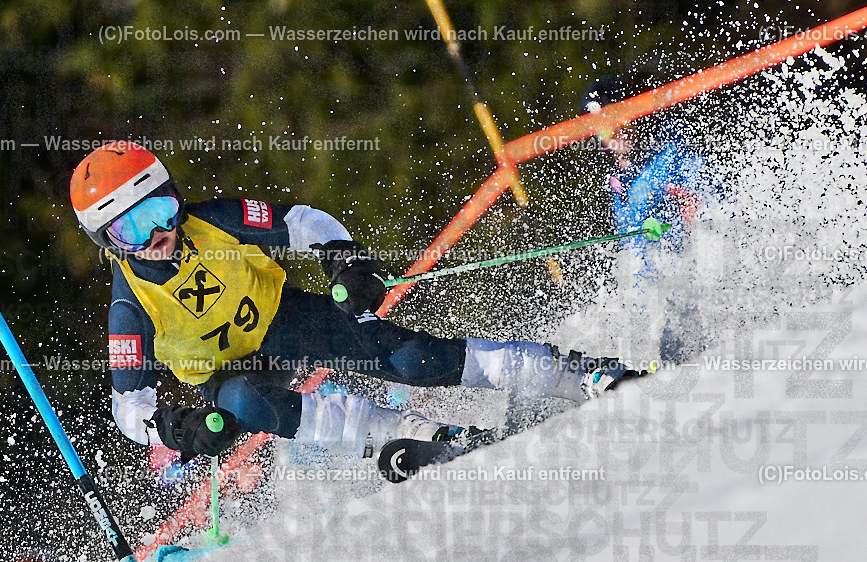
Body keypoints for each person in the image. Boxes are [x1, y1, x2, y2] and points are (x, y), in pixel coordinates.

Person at [70, 141, 641, 464]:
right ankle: (421, 435)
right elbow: (130, 406)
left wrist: (342, 257)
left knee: (411, 359)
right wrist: (174, 428)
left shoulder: (213, 221)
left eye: (161, 211)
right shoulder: (131, 309)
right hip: (227, 373)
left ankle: (574, 374)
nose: (159, 234)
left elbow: (300, 222)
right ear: (108, 243)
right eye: (134, 230)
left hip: (284, 321)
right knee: (245, 402)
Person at [581, 76, 711, 362]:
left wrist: (680, 225)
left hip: (689, 287)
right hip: (649, 304)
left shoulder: (668, 152)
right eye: (603, 126)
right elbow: (634, 255)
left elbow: (703, 207)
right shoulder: (617, 183)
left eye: (620, 119)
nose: (615, 132)